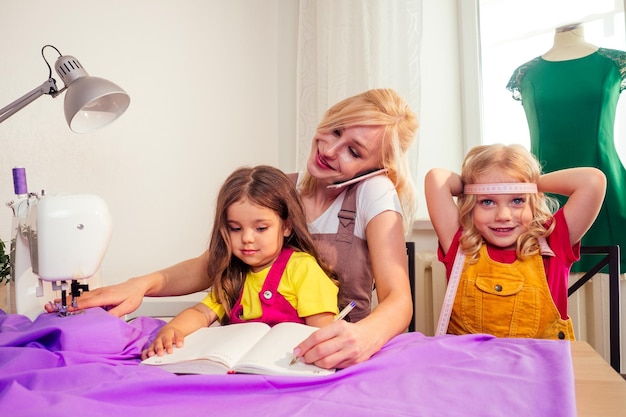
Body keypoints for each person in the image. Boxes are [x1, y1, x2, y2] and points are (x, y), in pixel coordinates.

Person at [50, 88, 418, 369]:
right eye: (335, 130)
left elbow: (398, 298)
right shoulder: (283, 188)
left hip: (329, 353)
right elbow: (214, 263)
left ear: (377, 168)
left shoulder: (373, 192)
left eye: (354, 151)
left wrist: (363, 337)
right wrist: (140, 285)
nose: (331, 149)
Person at [141, 165, 339, 359]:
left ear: (286, 226)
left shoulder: (302, 268)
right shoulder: (233, 275)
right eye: (235, 228)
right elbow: (200, 313)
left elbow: (321, 330)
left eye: (261, 228)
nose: (247, 238)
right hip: (241, 371)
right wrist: (173, 329)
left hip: (288, 366)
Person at [424, 144, 606, 340]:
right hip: (472, 368)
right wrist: (471, 184)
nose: (503, 215)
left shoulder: (553, 242)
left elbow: (593, 181)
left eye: (517, 200)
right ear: (470, 205)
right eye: (487, 201)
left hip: (539, 368)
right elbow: (436, 179)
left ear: (534, 201)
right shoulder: (461, 244)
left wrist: (532, 182)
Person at [506, 22, 626, 272]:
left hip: (606, 186)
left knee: (612, 293)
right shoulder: (526, 74)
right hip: (541, 193)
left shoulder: (613, 63)